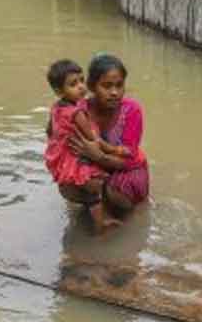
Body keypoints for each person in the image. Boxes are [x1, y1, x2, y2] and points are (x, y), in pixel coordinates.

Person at [43, 59, 134, 233]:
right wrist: (113, 150)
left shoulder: (56, 107)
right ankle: (101, 223)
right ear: (58, 90)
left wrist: (60, 144)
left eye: (81, 80)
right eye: (73, 84)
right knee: (95, 189)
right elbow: (93, 138)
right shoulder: (77, 112)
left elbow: (49, 131)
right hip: (77, 159)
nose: (80, 87)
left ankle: (95, 219)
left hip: (63, 158)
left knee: (89, 194)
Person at [60, 54, 150, 226]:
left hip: (129, 167)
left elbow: (127, 160)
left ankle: (123, 208)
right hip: (94, 167)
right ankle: (97, 206)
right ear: (92, 87)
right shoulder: (78, 110)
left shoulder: (132, 110)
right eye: (107, 86)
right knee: (66, 185)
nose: (114, 92)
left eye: (119, 85)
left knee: (117, 194)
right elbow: (65, 145)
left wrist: (98, 156)